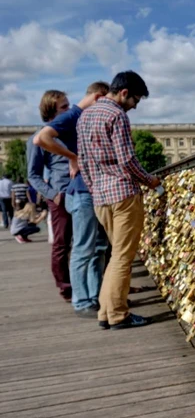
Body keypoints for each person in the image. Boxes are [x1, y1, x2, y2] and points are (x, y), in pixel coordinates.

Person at [77, 71, 161, 330]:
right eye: (136, 100)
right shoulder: (117, 115)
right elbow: (127, 160)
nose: (135, 106)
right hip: (123, 195)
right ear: (124, 93)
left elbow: (83, 162)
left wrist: (94, 190)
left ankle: (105, 312)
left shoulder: (85, 116)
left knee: (116, 256)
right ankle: (118, 315)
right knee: (123, 257)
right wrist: (149, 181)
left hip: (101, 198)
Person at [33, 82, 110, 317]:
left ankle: (93, 296)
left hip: (86, 190)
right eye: (62, 106)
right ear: (98, 98)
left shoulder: (79, 117)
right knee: (78, 247)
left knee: (95, 247)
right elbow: (40, 142)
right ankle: (79, 298)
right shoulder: (72, 117)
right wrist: (73, 158)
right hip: (73, 192)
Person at [28, 90, 74, 301]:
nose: (69, 109)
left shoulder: (73, 131)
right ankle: (66, 288)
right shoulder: (38, 138)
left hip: (83, 191)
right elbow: (33, 175)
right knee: (62, 243)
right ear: (51, 112)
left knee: (90, 242)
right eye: (64, 107)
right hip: (62, 194)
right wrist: (52, 195)